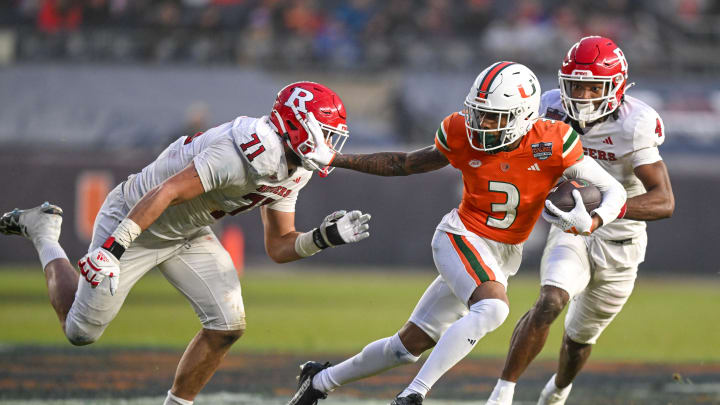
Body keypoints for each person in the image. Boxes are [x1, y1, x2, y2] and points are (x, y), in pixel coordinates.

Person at [0, 81, 371, 405]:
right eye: (323, 130)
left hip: (188, 231)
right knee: (79, 332)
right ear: (296, 124)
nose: (328, 142)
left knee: (228, 325)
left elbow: (279, 246)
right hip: (135, 220)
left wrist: (322, 238)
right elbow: (167, 193)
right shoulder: (239, 151)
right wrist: (113, 248)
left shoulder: (294, 169)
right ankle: (44, 233)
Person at [286, 62, 627, 405]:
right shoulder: (461, 132)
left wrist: (592, 222)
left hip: (503, 254)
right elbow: (404, 163)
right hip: (461, 236)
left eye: (495, 117)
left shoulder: (553, 141)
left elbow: (615, 191)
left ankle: (319, 381)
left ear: (524, 116)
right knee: (493, 309)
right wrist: (336, 158)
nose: (483, 124)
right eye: (480, 114)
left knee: (405, 347)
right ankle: (413, 395)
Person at [485, 36, 675, 405]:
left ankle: (558, 390)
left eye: (594, 87)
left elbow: (664, 201)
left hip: (620, 243)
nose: (584, 95)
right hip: (572, 231)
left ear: (616, 88)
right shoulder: (548, 108)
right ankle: (502, 393)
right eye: (576, 85)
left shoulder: (635, 123)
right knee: (550, 300)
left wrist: (602, 209)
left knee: (578, 340)